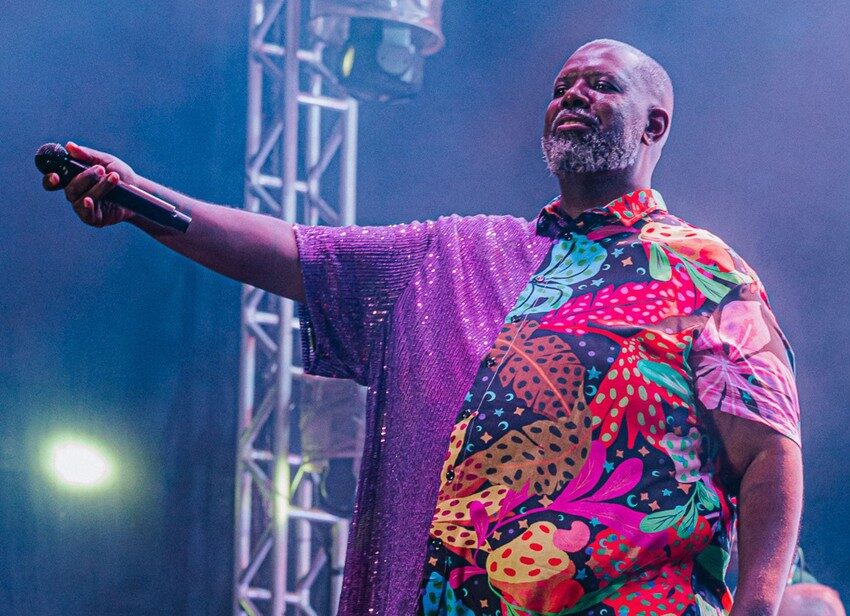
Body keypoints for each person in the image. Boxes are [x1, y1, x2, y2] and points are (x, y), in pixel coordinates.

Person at [42, 39, 802, 616]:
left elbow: (768, 449)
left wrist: (760, 606)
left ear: (654, 124)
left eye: (600, 85)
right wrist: (140, 201)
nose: (572, 95)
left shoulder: (703, 270)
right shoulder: (459, 253)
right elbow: (293, 252)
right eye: (561, 86)